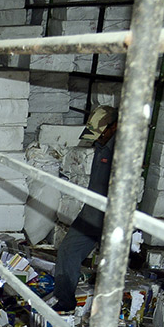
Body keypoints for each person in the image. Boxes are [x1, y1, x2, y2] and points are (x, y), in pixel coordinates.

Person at [53, 105, 118, 313]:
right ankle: (65, 304)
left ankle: (113, 312)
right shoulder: (103, 145)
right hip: (92, 211)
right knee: (67, 250)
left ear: (114, 127)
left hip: (112, 215)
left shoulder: (123, 151)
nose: (97, 139)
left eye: (101, 133)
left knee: (111, 267)